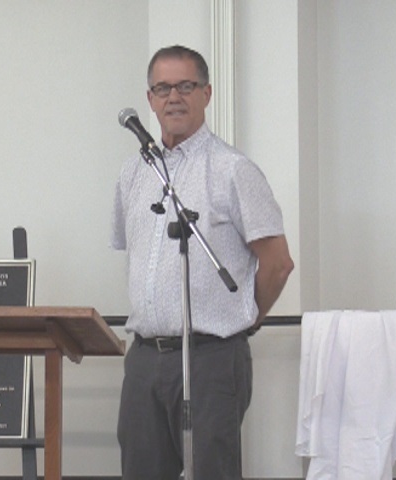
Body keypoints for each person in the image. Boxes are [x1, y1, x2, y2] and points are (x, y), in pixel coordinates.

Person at [112, 45, 294, 479]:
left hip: (210, 358)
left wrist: (248, 318)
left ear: (207, 93)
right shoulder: (133, 174)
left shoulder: (233, 170)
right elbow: (134, 256)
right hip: (143, 359)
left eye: (185, 86)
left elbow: (278, 263)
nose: (174, 96)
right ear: (150, 98)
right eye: (163, 88)